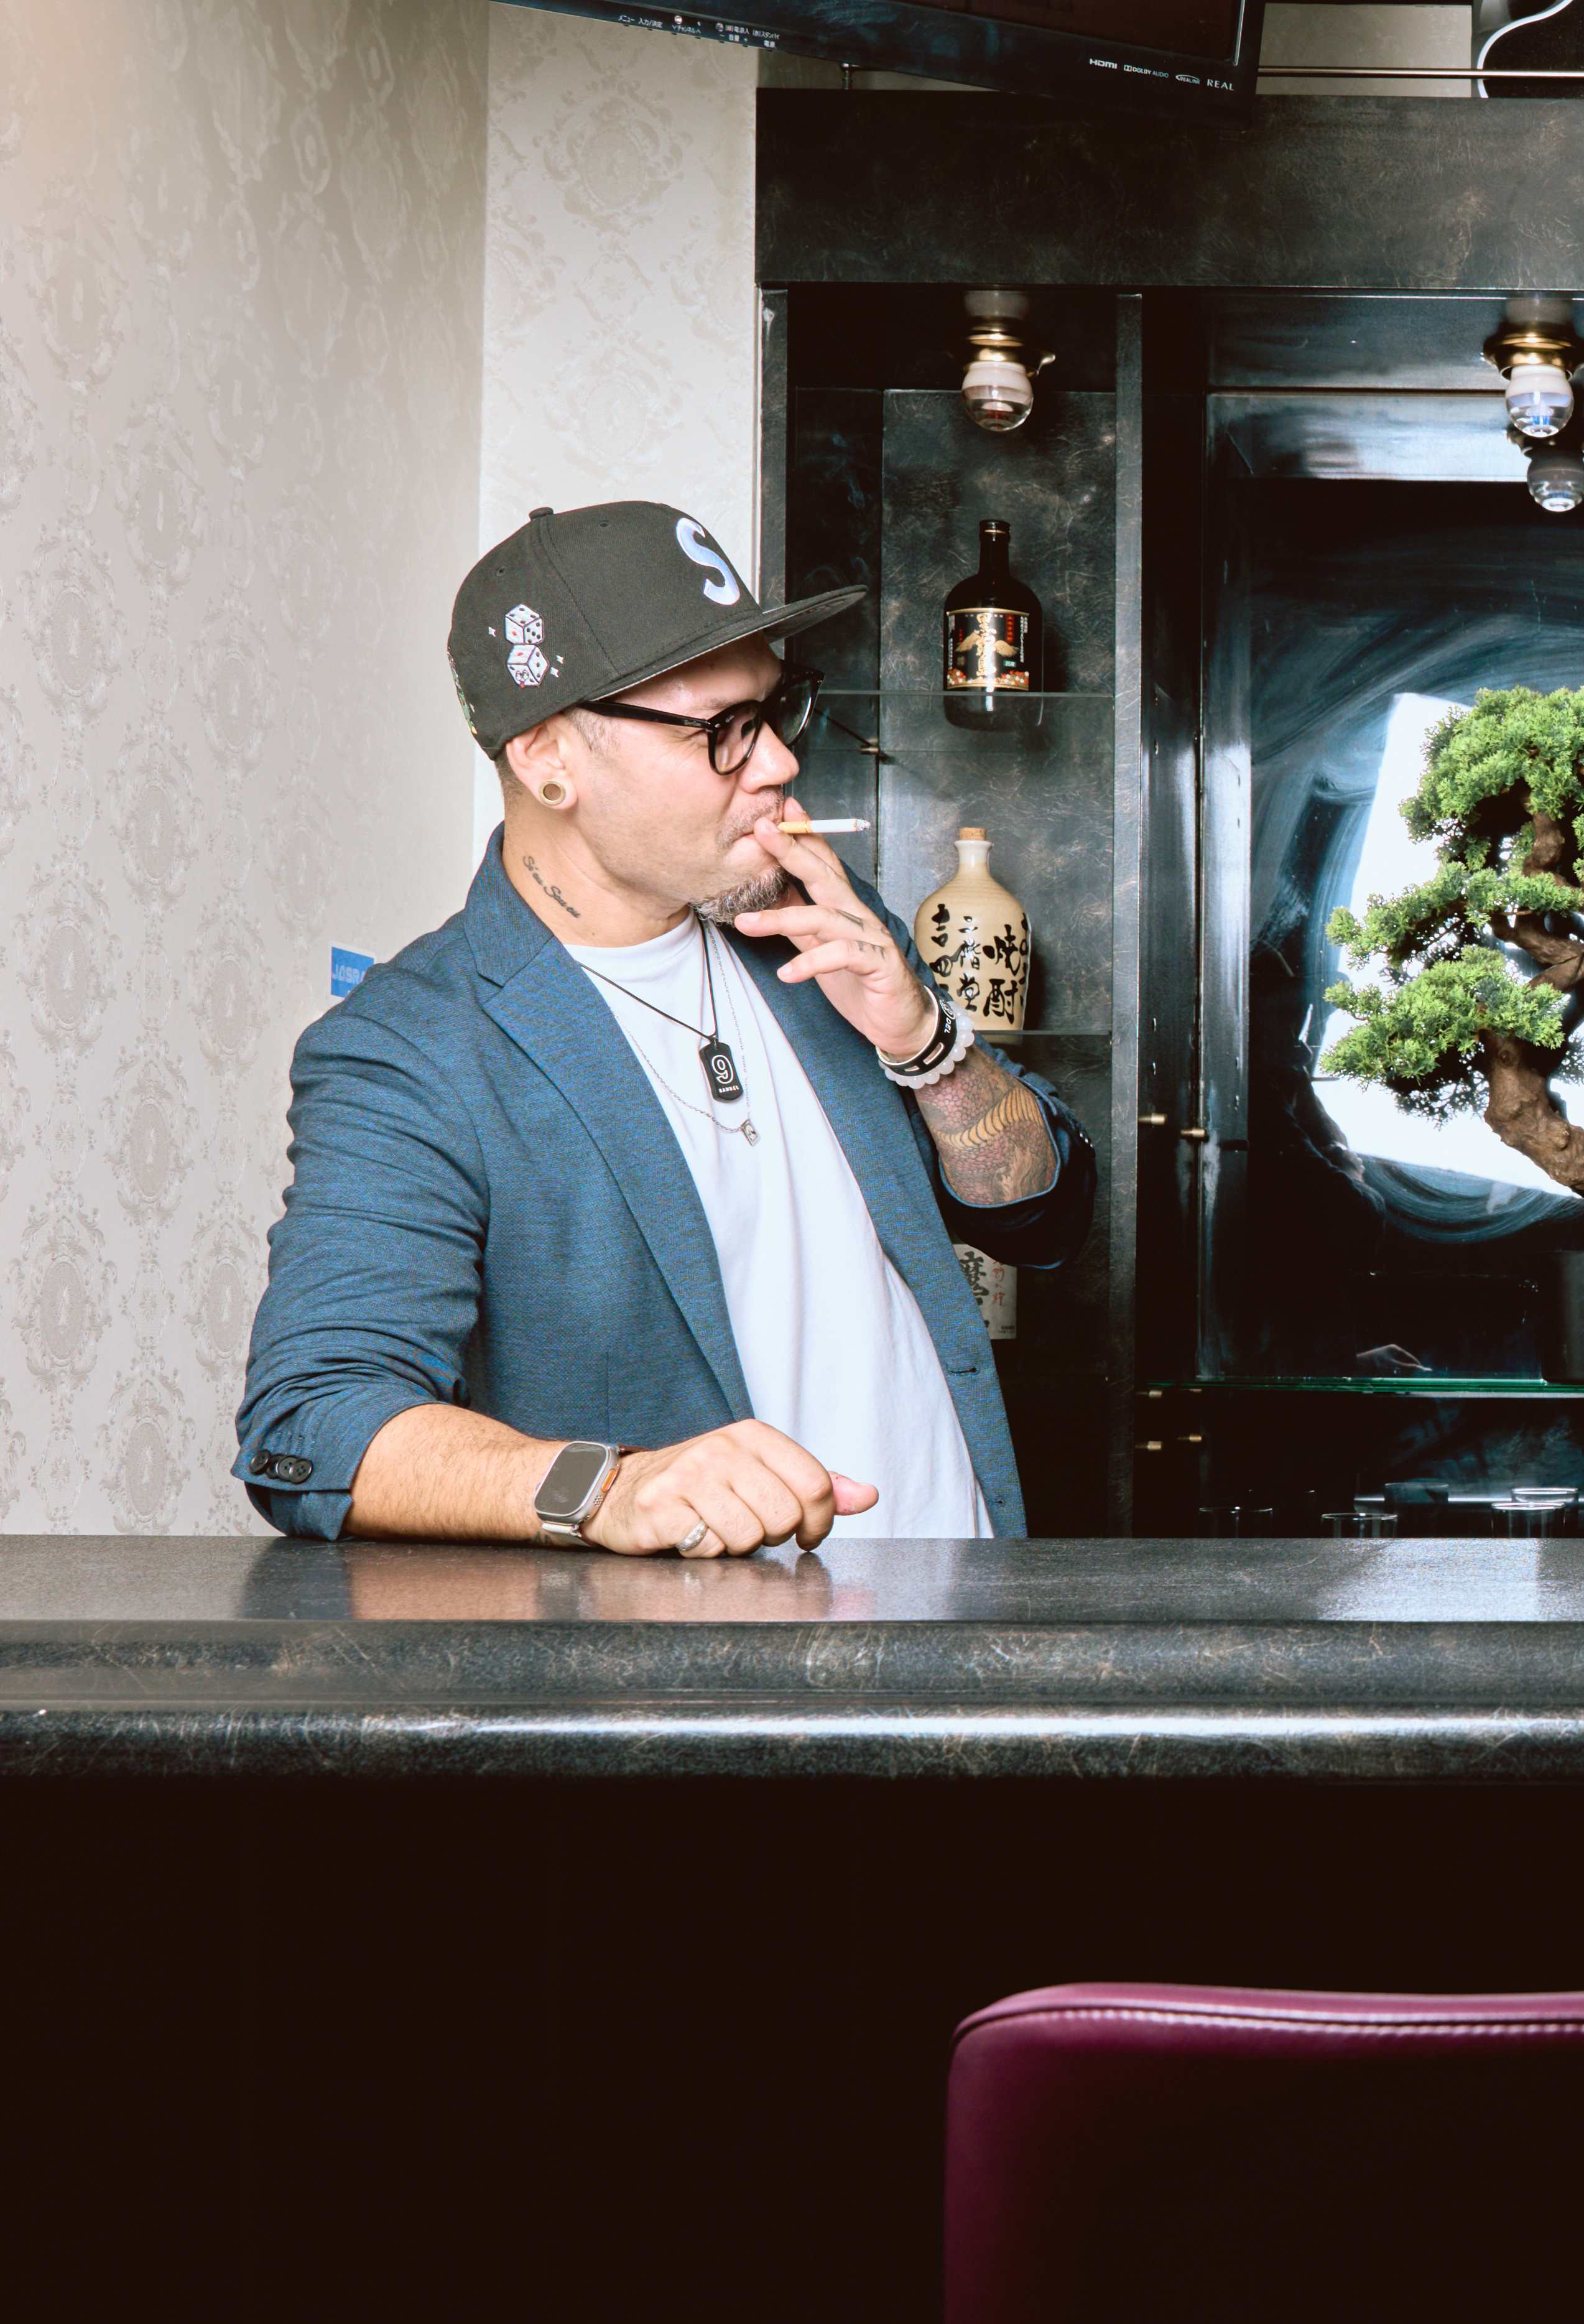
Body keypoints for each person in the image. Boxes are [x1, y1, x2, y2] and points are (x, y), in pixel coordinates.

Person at [236, 501, 1093, 1554]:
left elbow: (1047, 1221)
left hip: (961, 1605)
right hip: (721, 1653)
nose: (777, 764)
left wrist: (927, 1045)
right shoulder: (411, 1049)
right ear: (549, 758)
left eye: (776, 710)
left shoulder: (813, 917)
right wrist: (611, 1488)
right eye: (722, 730)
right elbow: (312, 1422)